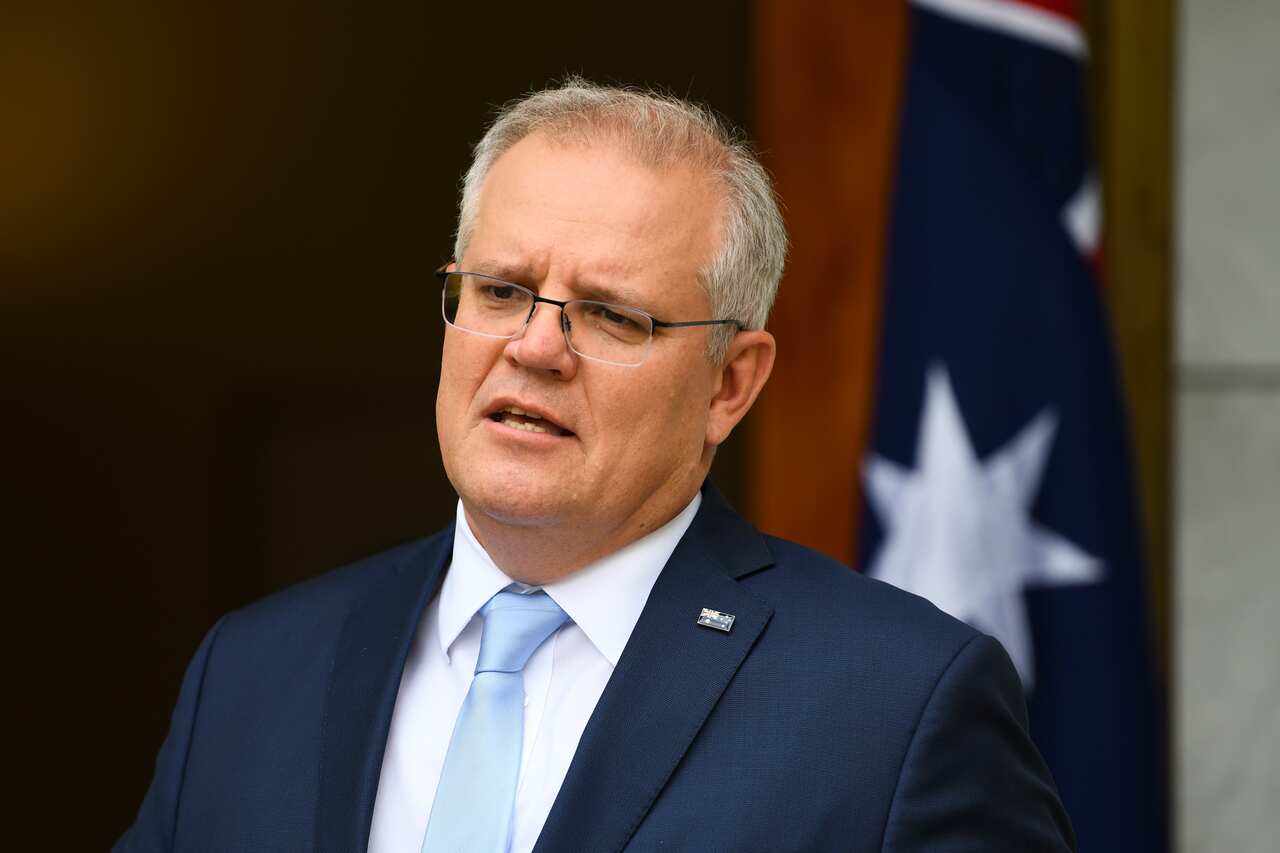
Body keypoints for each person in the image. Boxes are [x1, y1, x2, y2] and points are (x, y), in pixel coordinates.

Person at [116, 79, 1075, 852]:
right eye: (501, 290)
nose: (535, 347)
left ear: (730, 384)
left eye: (614, 315)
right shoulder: (252, 673)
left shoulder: (895, 707)